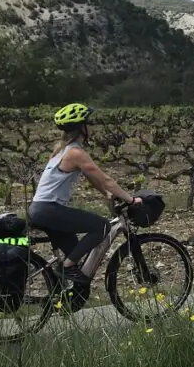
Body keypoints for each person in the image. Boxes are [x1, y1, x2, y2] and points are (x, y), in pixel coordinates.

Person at [27, 102, 141, 284]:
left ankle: (64, 293)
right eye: (88, 124)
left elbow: (91, 177)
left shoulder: (61, 150)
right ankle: (66, 267)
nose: (91, 128)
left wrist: (107, 194)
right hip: (49, 210)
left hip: (41, 209)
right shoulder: (75, 153)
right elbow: (105, 178)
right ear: (82, 128)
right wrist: (130, 198)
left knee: (78, 256)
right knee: (102, 227)